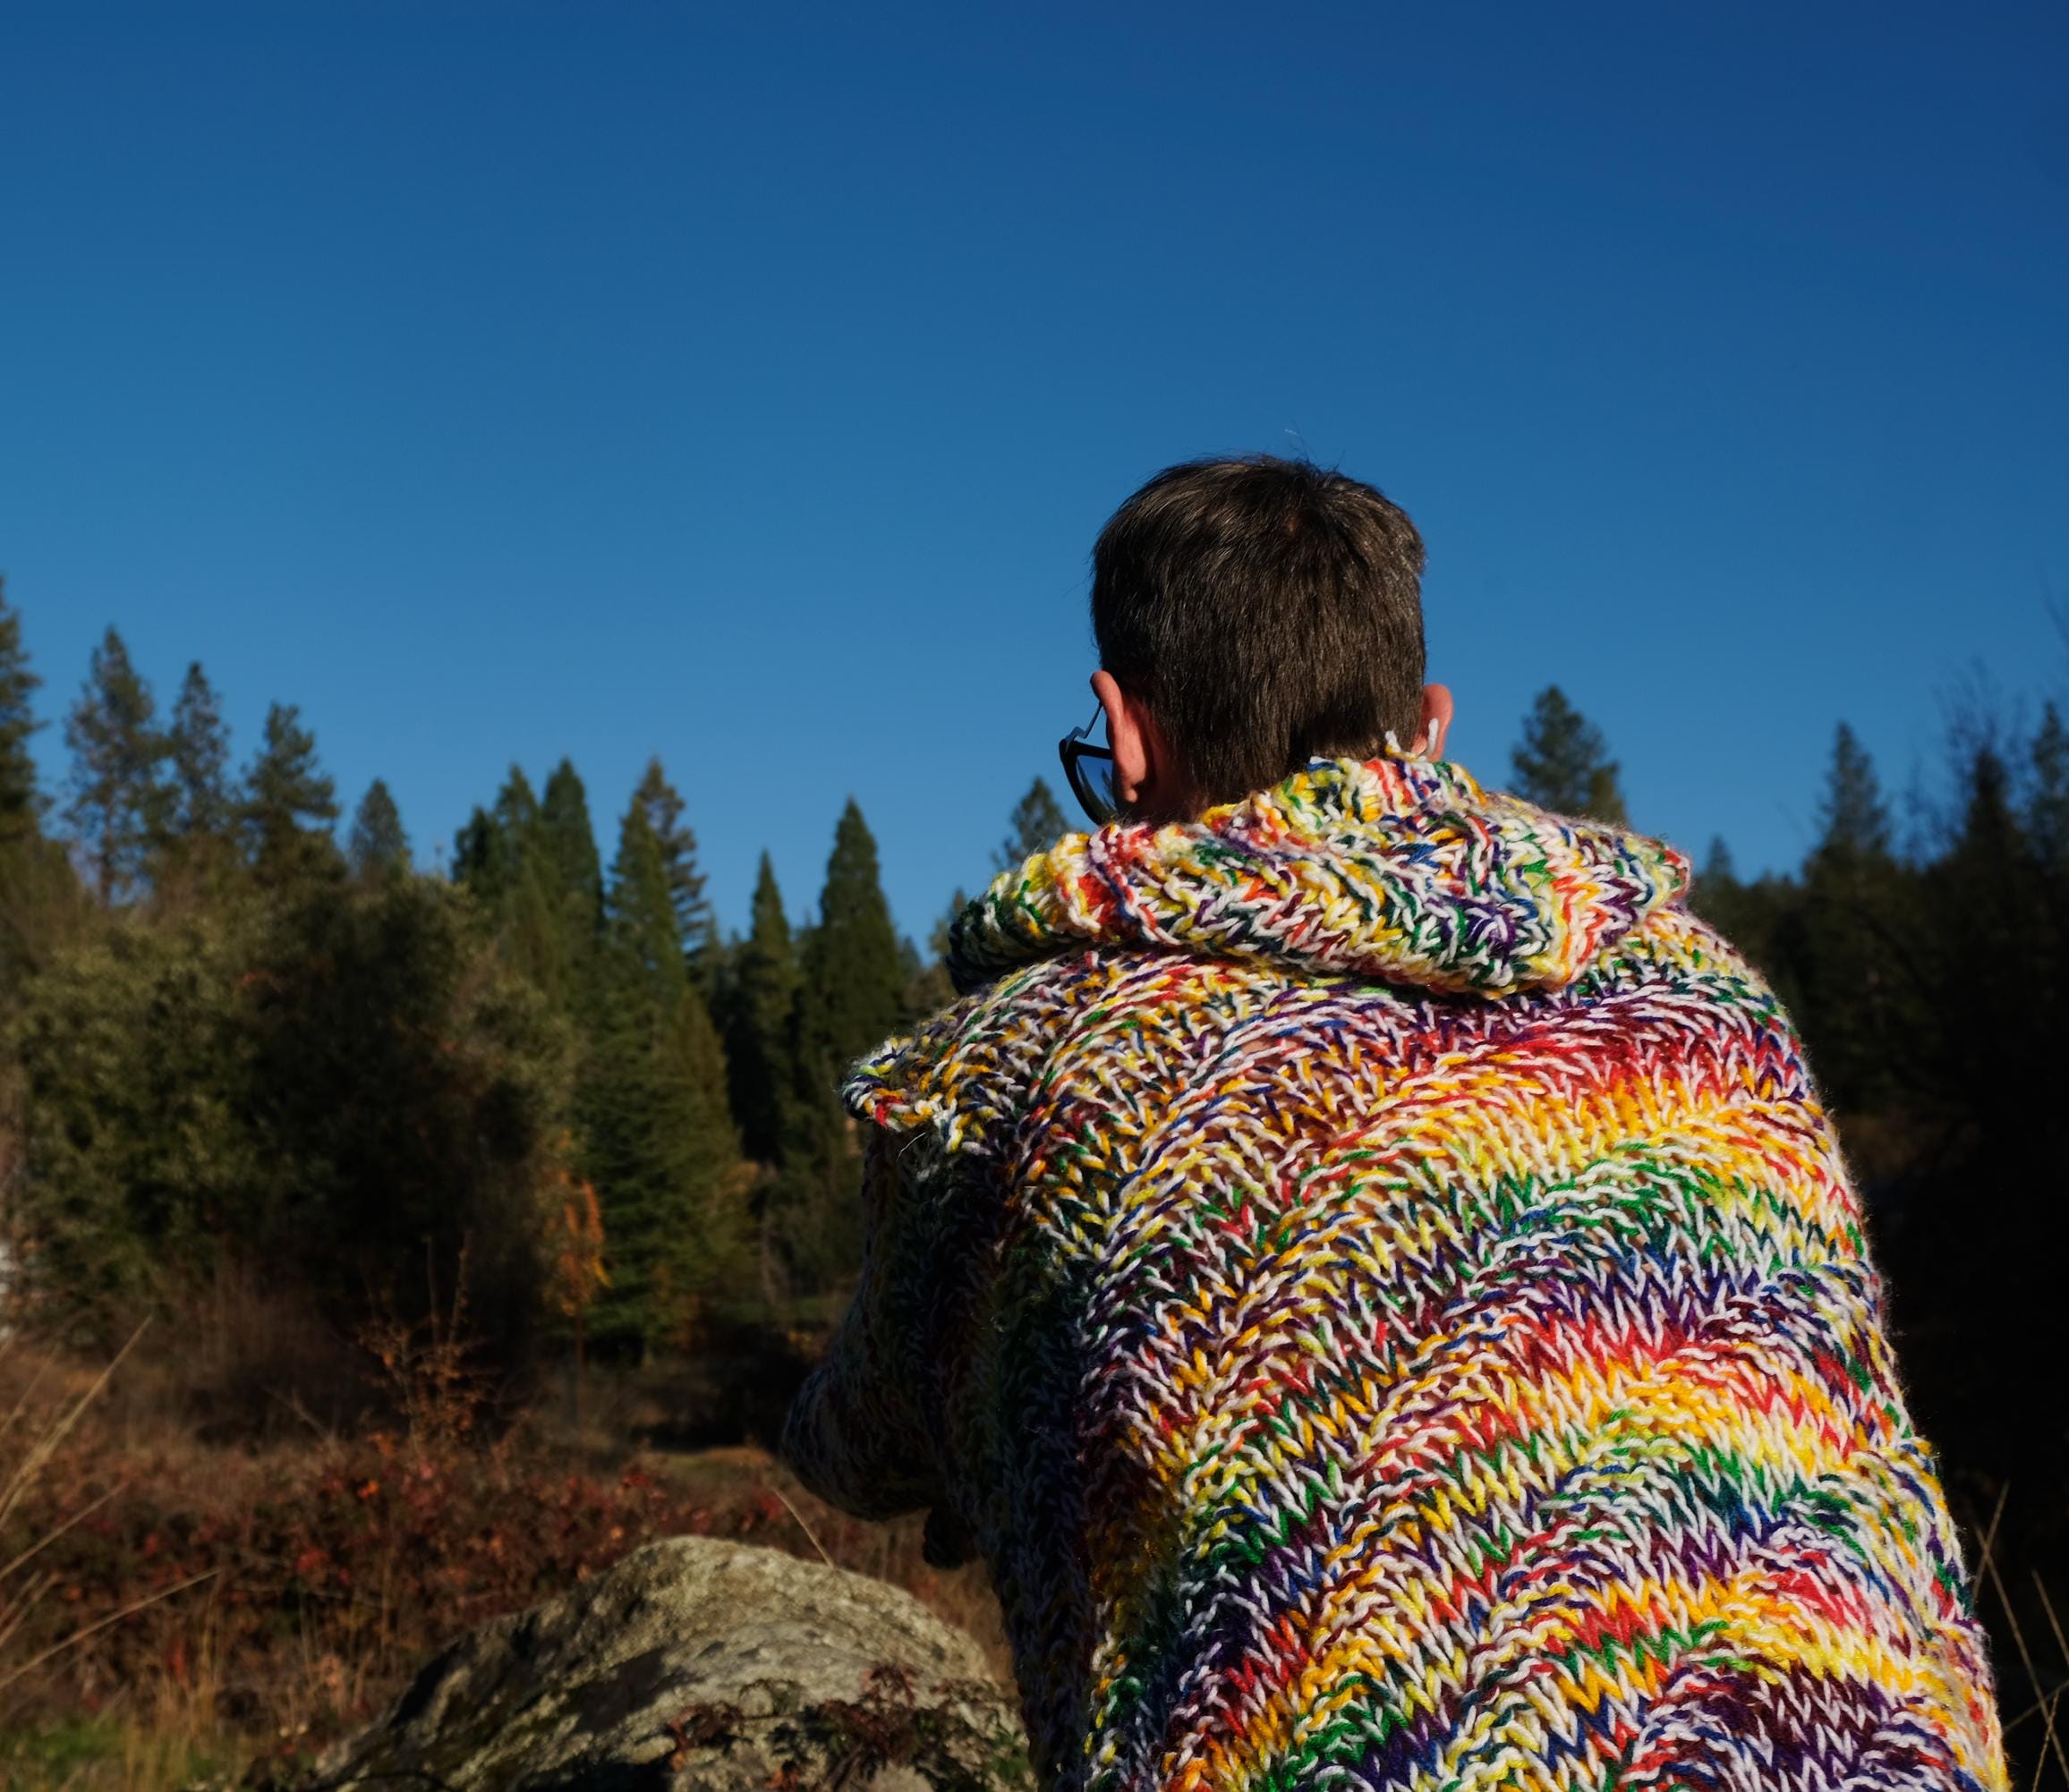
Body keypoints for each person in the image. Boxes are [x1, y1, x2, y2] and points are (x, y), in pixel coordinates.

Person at [783, 456, 2004, 1792]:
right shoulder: (1710, 1007)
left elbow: (860, 1443)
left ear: (1124, 732)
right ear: (1428, 726)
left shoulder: (1011, 1075)